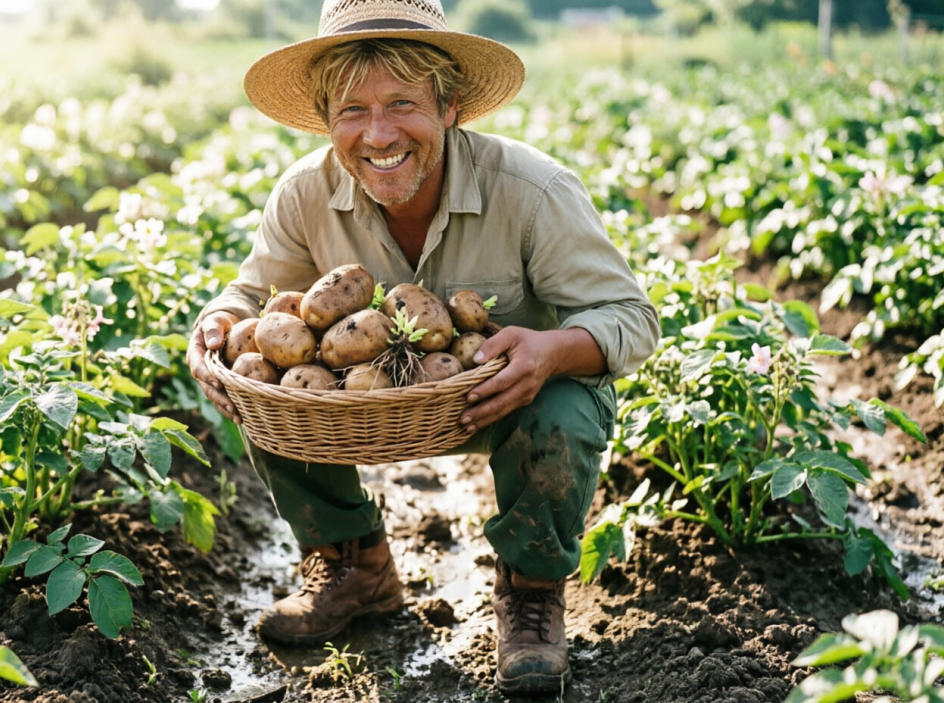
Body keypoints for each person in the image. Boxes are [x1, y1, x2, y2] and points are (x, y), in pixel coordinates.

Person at [186, 0, 659, 693]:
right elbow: (251, 299)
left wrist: (553, 351)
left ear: (450, 106)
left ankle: (530, 587)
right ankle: (354, 566)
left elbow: (632, 317)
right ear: (326, 121)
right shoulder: (303, 195)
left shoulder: (532, 192)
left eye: (402, 102)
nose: (378, 134)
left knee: (566, 407)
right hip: (355, 402)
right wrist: (218, 326)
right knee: (260, 383)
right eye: (351, 110)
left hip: (503, 400)